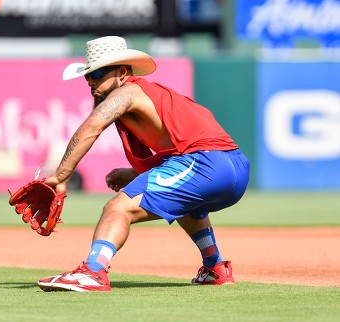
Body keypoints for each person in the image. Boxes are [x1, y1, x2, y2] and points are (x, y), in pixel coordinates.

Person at [38, 36, 250, 292]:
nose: (92, 82)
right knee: (185, 203)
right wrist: (133, 172)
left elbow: (92, 127)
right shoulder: (151, 94)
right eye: (88, 76)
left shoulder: (128, 92)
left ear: (123, 72)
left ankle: (93, 272)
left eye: (100, 73)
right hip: (233, 164)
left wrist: (60, 176)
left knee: (117, 209)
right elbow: (179, 148)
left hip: (205, 162)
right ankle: (215, 267)